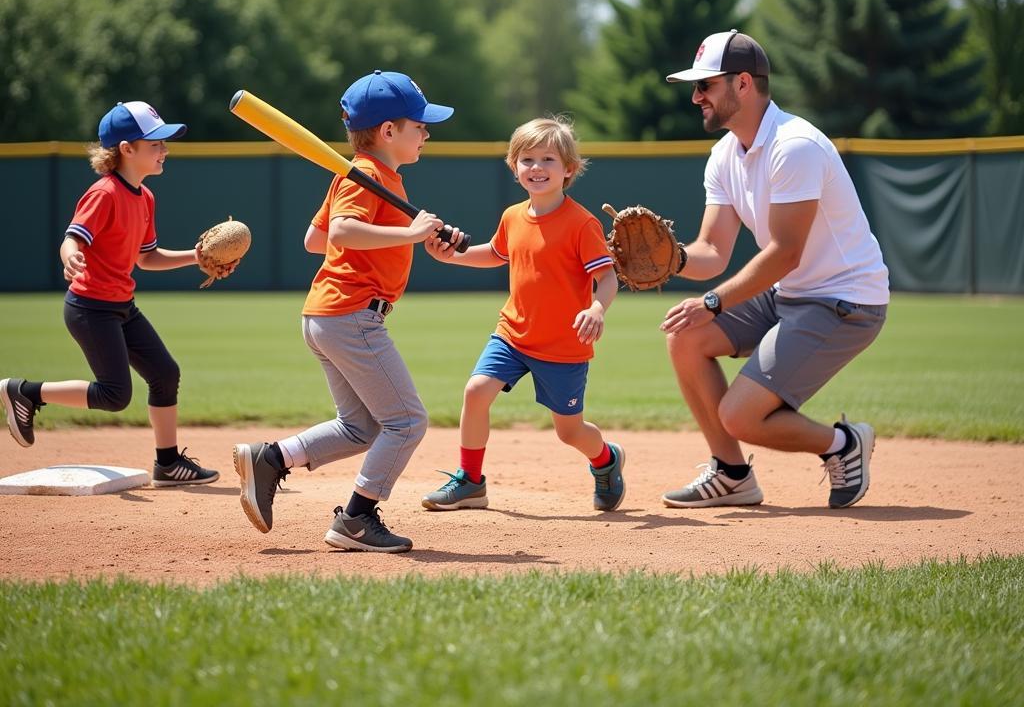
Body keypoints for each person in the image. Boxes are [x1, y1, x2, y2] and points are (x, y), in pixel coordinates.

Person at [659, 30, 889, 510]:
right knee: (685, 335)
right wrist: (674, 259)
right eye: (695, 87)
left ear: (742, 84)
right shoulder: (725, 154)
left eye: (705, 85)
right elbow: (712, 252)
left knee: (740, 416)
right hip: (792, 292)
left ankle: (842, 444)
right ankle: (731, 475)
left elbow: (786, 252)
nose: (696, 96)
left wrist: (714, 302)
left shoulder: (795, 146)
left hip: (845, 299)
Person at [232, 70, 454, 553]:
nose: (426, 132)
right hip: (352, 315)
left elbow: (315, 238)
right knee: (407, 422)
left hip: (329, 315)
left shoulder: (362, 176)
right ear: (388, 131)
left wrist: (412, 235)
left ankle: (271, 459)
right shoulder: (368, 176)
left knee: (360, 427)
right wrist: (409, 234)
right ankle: (356, 518)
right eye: (419, 124)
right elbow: (340, 234)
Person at [0, 101, 232, 485]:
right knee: (114, 394)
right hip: (90, 308)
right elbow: (72, 237)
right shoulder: (104, 193)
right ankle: (25, 391)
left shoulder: (145, 197)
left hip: (121, 305)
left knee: (164, 373)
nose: (164, 150)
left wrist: (196, 257)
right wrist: (71, 257)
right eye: (155, 143)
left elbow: (147, 258)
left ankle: (168, 463)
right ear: (126, 149)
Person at [420, 115, 625, 514]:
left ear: (568, 169)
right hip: (513, 333)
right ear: (514, 168)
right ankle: (471, 481)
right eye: (527, 159)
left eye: (548, 159)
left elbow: (607, 278)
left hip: (563, 345)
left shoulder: (582, 224)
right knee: (476, 392)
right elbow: (495, 254)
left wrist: (597, 308)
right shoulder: (513, 216)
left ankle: (606, 460)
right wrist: (455, 256)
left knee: (569, 432)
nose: (536, 168)